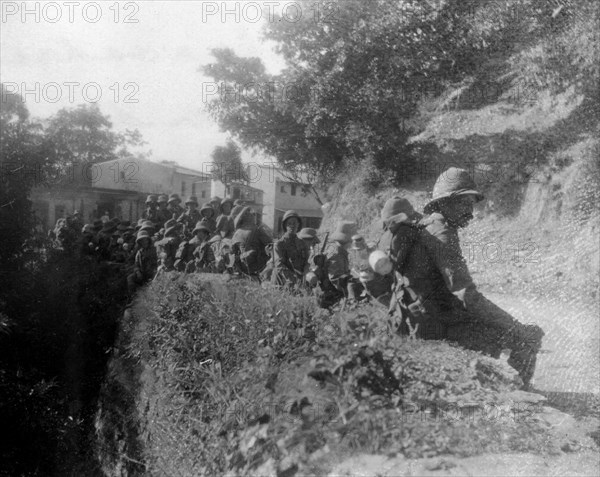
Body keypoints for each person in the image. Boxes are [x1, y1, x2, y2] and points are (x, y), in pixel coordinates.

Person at [389, 168, 544, 388]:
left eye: (471, 204)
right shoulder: (441, 232)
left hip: (421, 318)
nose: (470, 212)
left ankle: (506, 389)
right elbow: (466, 295)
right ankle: (518, 396)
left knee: (507, 331)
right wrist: (517, 326)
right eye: (465, 203)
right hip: (433, 325)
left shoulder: (429, 225)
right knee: (526, 337)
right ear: (445, 203)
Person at [271, 210, 309, 288]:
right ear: (285, 226)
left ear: (298, 225)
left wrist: (305, 272)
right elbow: (279, 265)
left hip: (300, 280)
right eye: (289, 223)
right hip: (282, 282)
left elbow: (307, 262)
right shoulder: (279, 244)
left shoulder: (302, 243)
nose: (292, 226)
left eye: (294, 223)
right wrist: (295, 279)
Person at [231, 206, 272, 276]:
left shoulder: (237, 233)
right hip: (256, 266)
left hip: (241, 266)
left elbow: (232, 253)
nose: (254, 215)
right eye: (251, 214)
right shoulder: (257, 230)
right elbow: (270, 244)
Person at [127, 230, 158, 298]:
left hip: (153, 273)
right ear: (139, 242)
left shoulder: (155, 249)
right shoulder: (139, 252)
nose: (144, 242)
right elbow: (136, 264)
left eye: (145, 240)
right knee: (130, 278)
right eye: (141, 240)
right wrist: (138, 272)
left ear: (148, 240)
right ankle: (134, 297)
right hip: (143, 273)